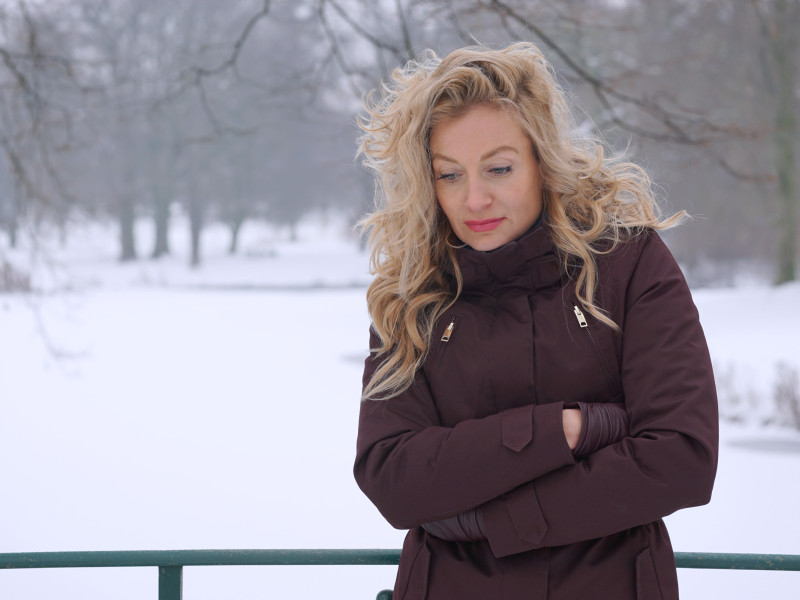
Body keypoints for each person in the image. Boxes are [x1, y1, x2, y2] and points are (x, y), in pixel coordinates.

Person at [353, 42, 718, 600]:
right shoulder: (409, 297)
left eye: (499, 168)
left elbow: (680, 456)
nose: (475, 198)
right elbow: (393, 476)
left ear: (542, 158)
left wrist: (484, 522)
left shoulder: (628, 263)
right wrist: (573, 428)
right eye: (449, 175)